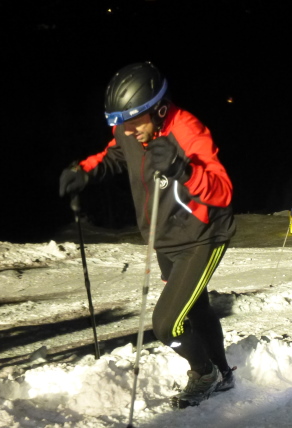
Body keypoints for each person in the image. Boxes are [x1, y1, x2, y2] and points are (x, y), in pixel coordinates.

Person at [58, 61, 236, 409]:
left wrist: (183, 169)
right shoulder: (130, 130)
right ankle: (224, 374)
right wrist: (85, 171)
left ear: (159, 109)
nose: (126, 130)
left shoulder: (187, 130)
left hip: (203, 236)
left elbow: (223, 191)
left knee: (166, 325)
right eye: (120, 122)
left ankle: (205, 373)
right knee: (196, 308)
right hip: (165, 238)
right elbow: (115, 155)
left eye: (133, 121)